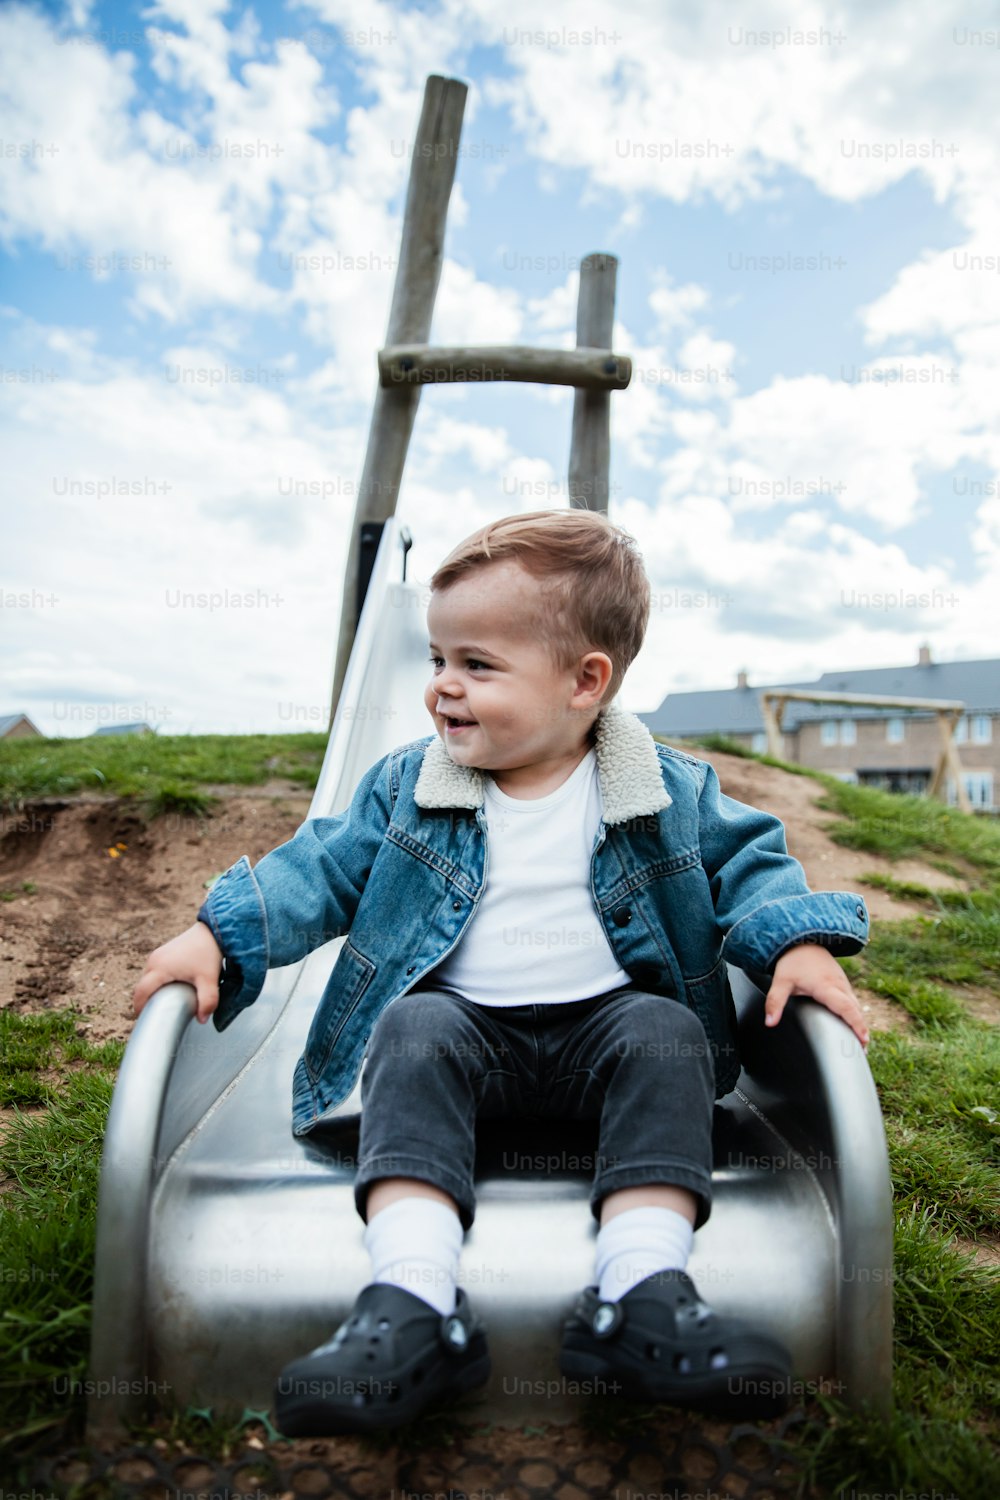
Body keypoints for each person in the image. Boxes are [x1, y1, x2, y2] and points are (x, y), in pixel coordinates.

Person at [133, 508, 871, 1436]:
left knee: (669, 1034)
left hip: (607, 1046)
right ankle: (413, 1303)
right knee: (414, 1029)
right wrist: (220, 937)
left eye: (477, 667)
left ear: (584, 683)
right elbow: (318, 867)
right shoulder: (411, 784)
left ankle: (641, 1292)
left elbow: (749, 863)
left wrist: (794, 943)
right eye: (438, 660)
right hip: (466, 1047)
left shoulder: (663, 787)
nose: (443, 687)